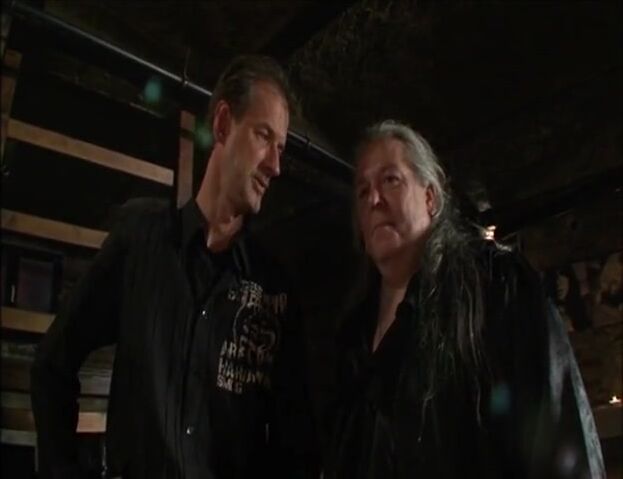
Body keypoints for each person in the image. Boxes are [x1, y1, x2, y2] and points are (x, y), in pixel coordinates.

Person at [31, 55, 319, 479]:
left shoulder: (274, 288)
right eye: (264, 136)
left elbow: (297, 443)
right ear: (223, 124)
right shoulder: (140, 240)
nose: (275, 167)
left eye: (281, 149)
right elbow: (53, 364)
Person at [327, 120, 605, 478]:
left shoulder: (494, 284)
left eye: (390, 180)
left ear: (430, 198)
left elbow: (557, 427)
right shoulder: (353, 334)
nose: (374, 200)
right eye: (363, 191)